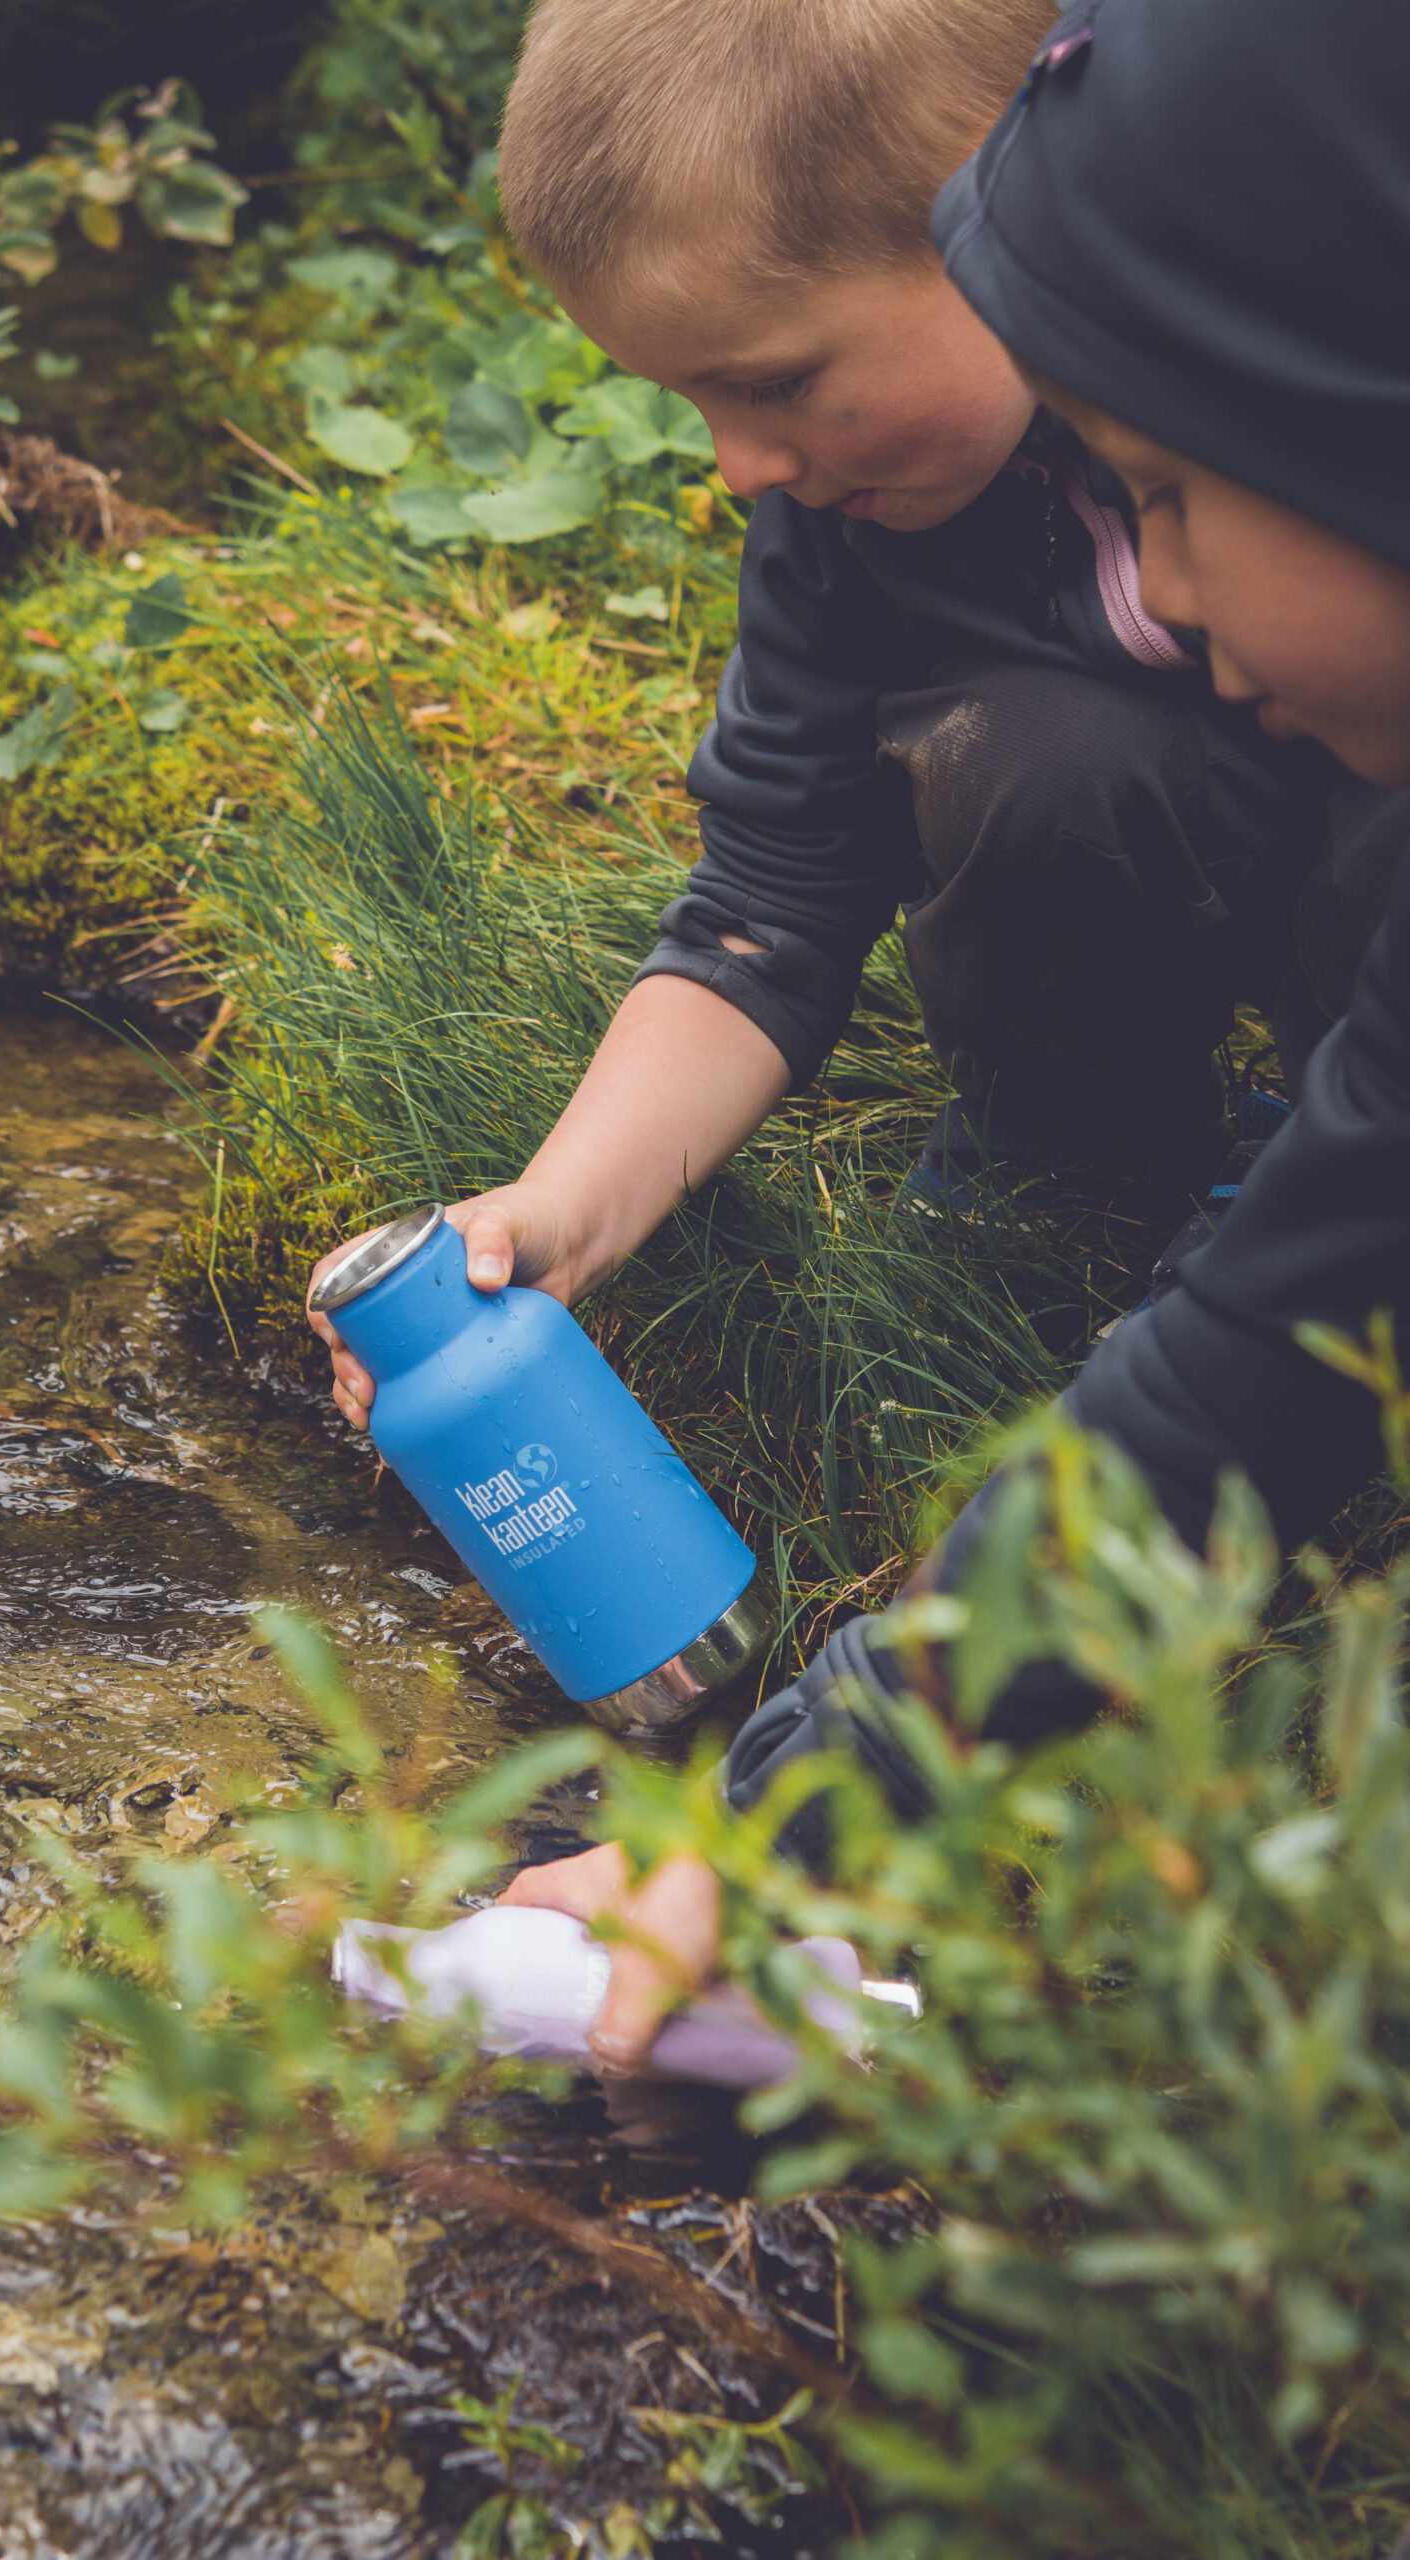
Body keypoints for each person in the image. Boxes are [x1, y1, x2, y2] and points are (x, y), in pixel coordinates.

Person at [484, 0, 1410, 2070]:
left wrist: (785, 1819)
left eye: (1167, 488)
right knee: (1038, 763)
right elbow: (768, 894)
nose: (1158, 577)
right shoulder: (858, 531)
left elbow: (1260, 1355)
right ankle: (1093, 1156)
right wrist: (563, 1199)